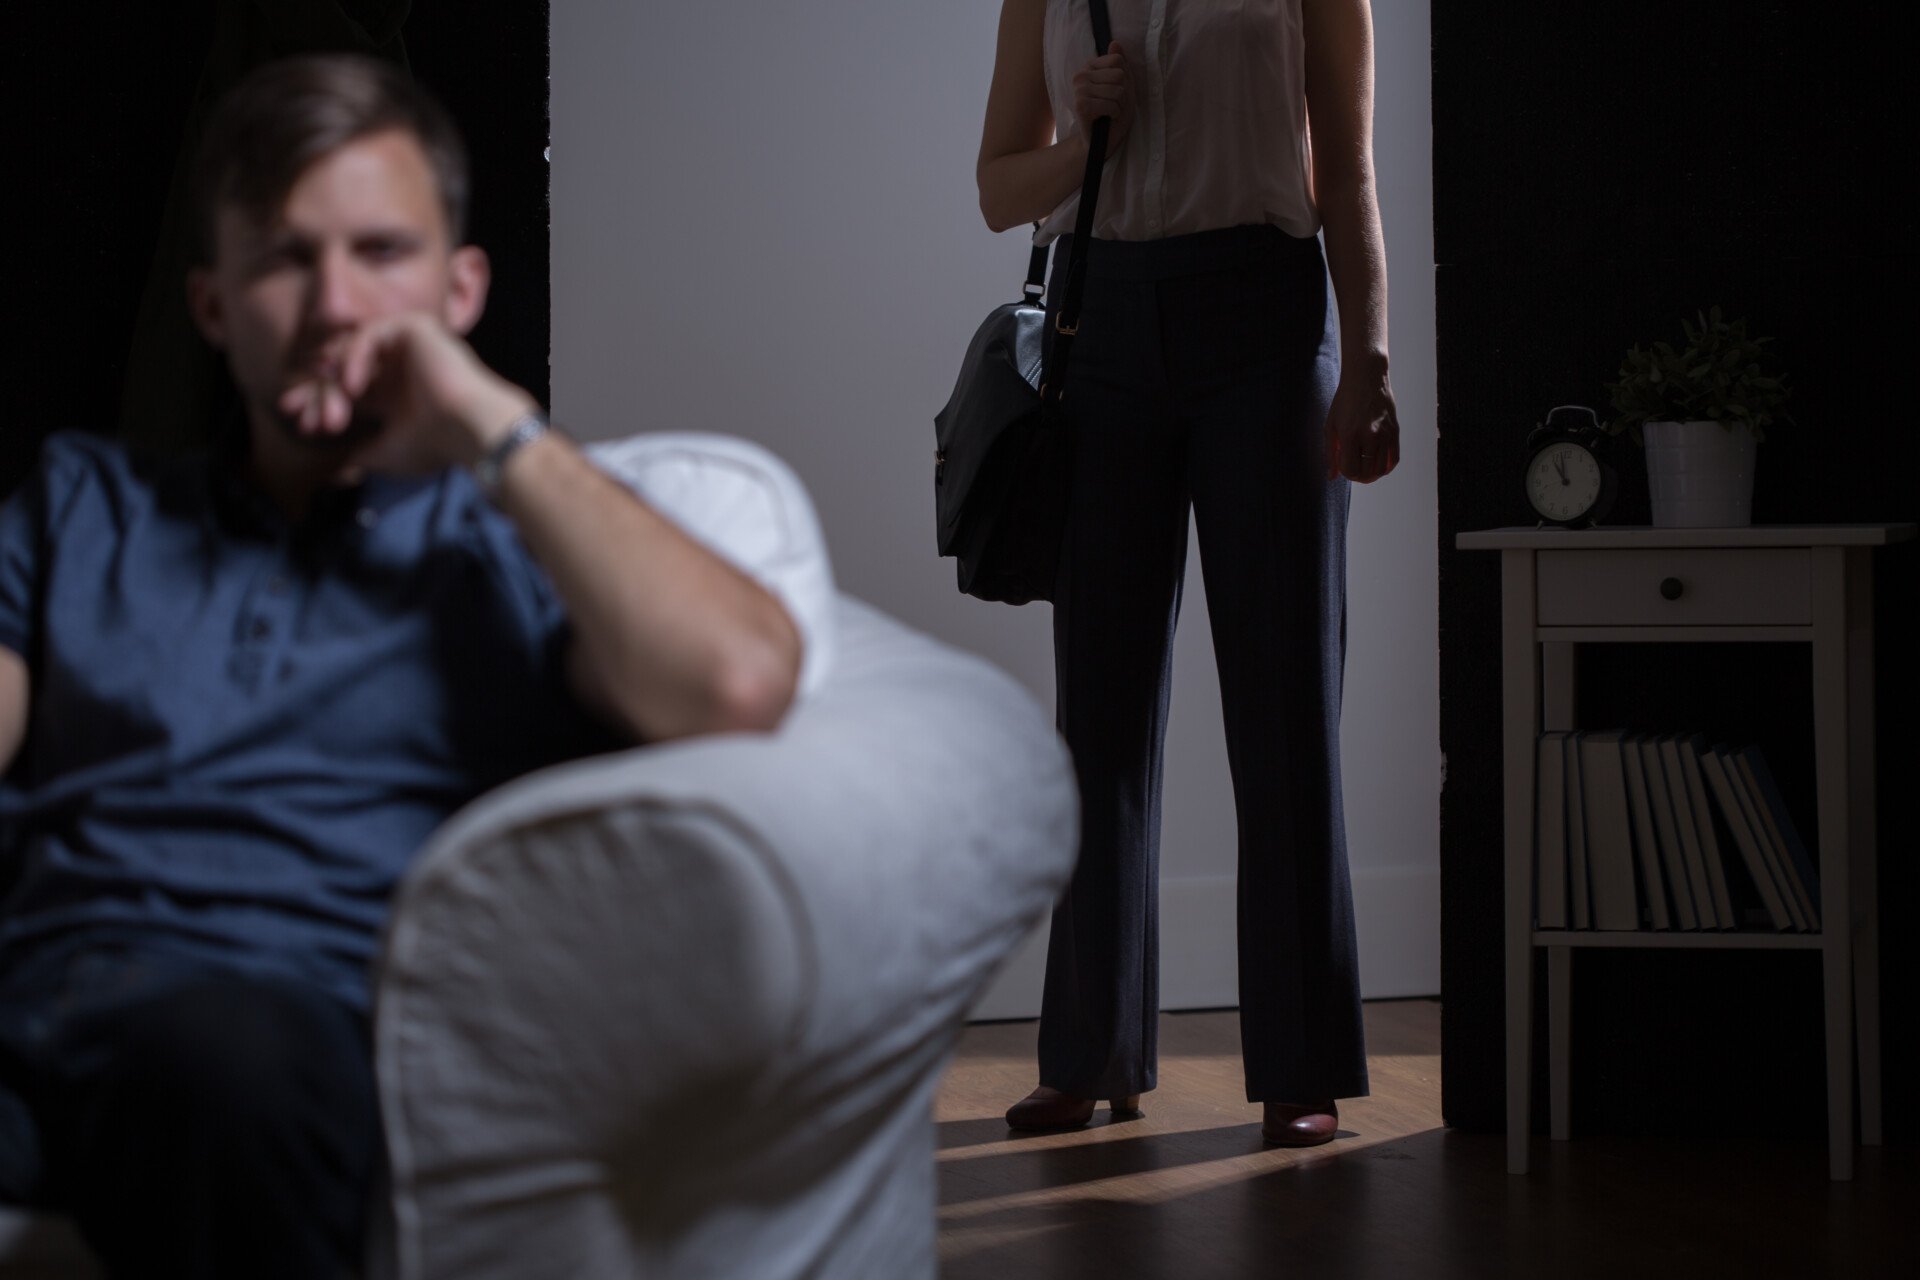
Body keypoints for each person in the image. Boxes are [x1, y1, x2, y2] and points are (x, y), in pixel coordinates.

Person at [0, 54, 801, 1277]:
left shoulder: (521, 547)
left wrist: (484, 418)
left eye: (380, 253)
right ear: (211, 304)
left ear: (460, 286)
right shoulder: (83, 503)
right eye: (282, 257)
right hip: (34, 993)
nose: (333, 302)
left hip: (272, 1034)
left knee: (223, 1070)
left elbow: (735, 681)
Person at [976, 0, 1401, 1145]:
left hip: (1264, 315)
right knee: (1099, 707)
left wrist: (1369, 356)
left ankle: (1301, 1065)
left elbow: (1346, 170)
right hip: (1098, 323)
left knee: (1285, 699)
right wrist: (1080, 136)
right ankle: (1088, 1050)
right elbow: (997, 188)